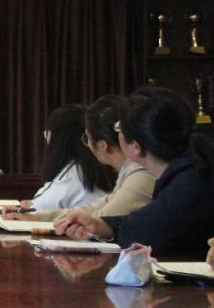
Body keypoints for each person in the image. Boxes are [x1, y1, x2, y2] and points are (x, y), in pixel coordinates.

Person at [56, 87, 214, 257]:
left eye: (118, 128)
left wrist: (106, 228)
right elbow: (146, 220)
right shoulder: (190, 168)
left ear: (136, 147)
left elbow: (147, 233)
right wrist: (104, 227)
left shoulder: (190, 183)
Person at [4, 96, 153, 221]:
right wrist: (37, 217)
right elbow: (93, 209)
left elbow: (101, 220)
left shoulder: (141, 173)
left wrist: (36, 215)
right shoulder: (127, 171)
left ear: (102, 145)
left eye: (87, 139)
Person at [9, 104, 114, 213]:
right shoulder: (94, 168)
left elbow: (35, 211)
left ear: (56, 138)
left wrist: (29, 206)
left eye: (47, 134)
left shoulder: (73, 174)